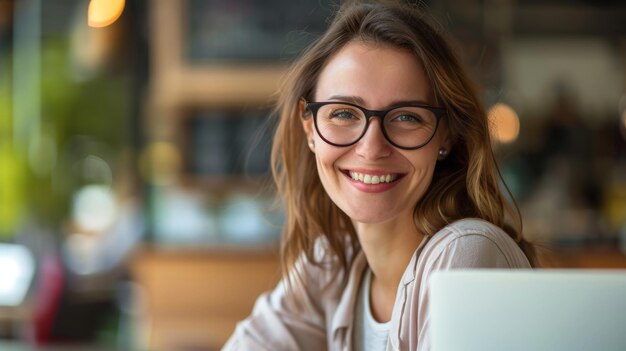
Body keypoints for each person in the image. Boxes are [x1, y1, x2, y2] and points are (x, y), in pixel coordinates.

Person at [223, 1, 536, 350]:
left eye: (406, 117)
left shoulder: (465, 255)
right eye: (343, 113)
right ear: (309, 127)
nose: (372, 149)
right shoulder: (333, 264)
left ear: (446, 134)